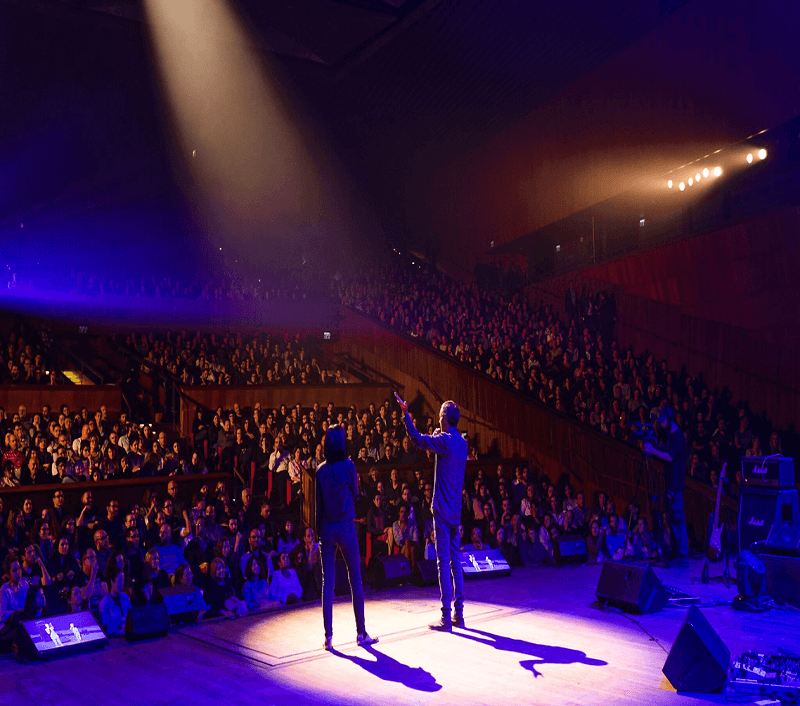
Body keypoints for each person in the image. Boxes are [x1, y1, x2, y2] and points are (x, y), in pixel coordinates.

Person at [397, 394, 467, 631]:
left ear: (445, 418)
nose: (437, 421)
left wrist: (406, 414)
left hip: (442, 509)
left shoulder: (445, 441)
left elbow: (416, 439)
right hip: (456, 510)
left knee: (442, 563)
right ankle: (459, 614)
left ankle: (446, 617)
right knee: (455, 561)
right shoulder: (462, 442)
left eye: (439, 418)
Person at [315, 424, 377, 650]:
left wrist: (318, 532)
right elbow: (354, 495)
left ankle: (328, 637)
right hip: (345, 525)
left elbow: (318, 507)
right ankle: (361, 633)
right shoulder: (349, 466)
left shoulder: (320, 470)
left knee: (327, 582)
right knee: (355, 579)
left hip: (326, 528)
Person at [643, 407, 689, 559]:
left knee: (677, 520)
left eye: (662, 422)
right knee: (672, 521)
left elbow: (669, 457)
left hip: (676, 484)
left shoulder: (678, 436)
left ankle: (682, 554)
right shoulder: (669, 435)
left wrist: (653, 450)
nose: (661, 425)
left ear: (669, 419)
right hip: (670, 483)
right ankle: (677, 553)